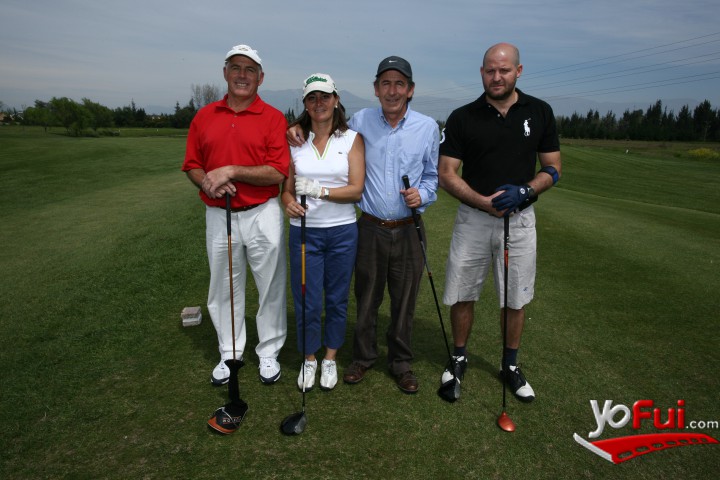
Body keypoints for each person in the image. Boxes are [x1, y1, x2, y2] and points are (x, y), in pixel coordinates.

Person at [288, 56, 439, 394]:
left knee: (404, 300)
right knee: (366, 297)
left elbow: (432, 176)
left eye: (400, 84)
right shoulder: (360, 122)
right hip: (370, 226)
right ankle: (363, 358)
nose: (392, 90)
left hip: (410, 226)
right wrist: (296, 127)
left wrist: (423, 194)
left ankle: (400, 363)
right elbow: (321, 123)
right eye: (385, 83)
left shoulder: (427, 127)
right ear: (375, 89)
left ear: (410, 90)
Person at [438, 42, 562, 402]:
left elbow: (553, 168)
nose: (496, 77)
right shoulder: (463, 116)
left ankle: (510, 364)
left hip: (520, 220)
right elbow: (447, 173)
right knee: (462, 291)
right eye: (490, 70)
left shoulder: (539, 111)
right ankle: (459, 356)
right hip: (473, 219)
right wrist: (481, 201)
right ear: (481, 72)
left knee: (515, 296)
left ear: (518, 72)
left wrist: (526, 191)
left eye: (504, 70)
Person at [182, 44, 289, 387]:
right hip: (219, 213)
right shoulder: (205, 115)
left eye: (250, 70)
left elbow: (276, 171)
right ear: (225, 73)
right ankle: (230, 352)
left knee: (270, 284)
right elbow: (193, 166)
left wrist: (229, 170)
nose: (243, 75)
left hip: (262, 212)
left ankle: (268, 351)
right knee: (224, 286)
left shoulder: (272, 117)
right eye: (236, 68)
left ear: (261, 77)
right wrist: (208, 182)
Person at [281, 73, 365, 392]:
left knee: (336, 298)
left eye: (325, 96)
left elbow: (356, 190)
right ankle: (309, 358)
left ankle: (329, 357)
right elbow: (285, 190)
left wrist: (320, 191)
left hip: (342, 231)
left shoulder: (351, 139)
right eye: (312, 98)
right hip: (304, 233)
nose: (319, 103)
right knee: (307, 300)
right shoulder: (294, 140)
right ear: (305, 103)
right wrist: (289, 202)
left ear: (336, 99)